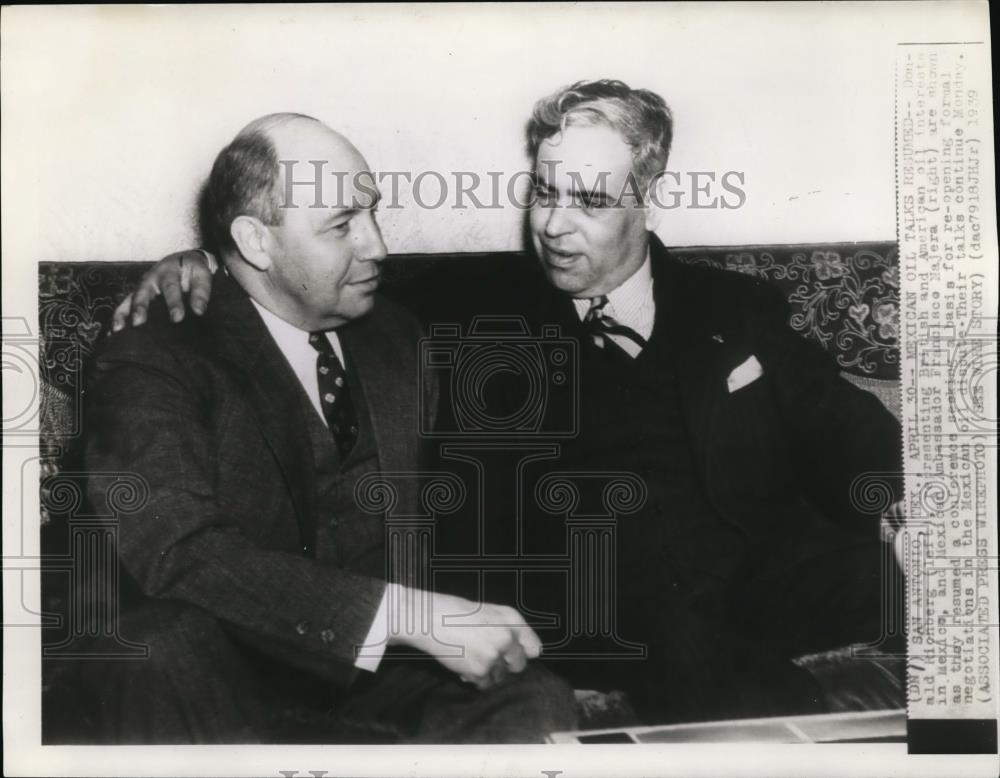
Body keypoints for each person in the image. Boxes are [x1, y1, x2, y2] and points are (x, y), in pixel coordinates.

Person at [112, 82, 905, 726]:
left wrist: (913, 512)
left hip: (757, 575)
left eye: (589, 201)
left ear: (649, 197)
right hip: (601, 600)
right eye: (544, 193)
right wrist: (201, 262)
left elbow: (849, 433)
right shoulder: (469, 304)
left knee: (924, 578)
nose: (554, 227)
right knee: (675, 633)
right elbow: (295, 277)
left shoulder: (737, 309)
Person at [67, 112, 575, 744]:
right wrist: (403, 613)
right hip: (214, 669)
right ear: (255, 241)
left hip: (361, 683)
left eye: (372, 214)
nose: (378, 246)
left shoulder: (395, 332)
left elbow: (534, 286)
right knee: (161, 646)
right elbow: (175, 551)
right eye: (341, 226)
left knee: (534, 700)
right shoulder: (155, 350)